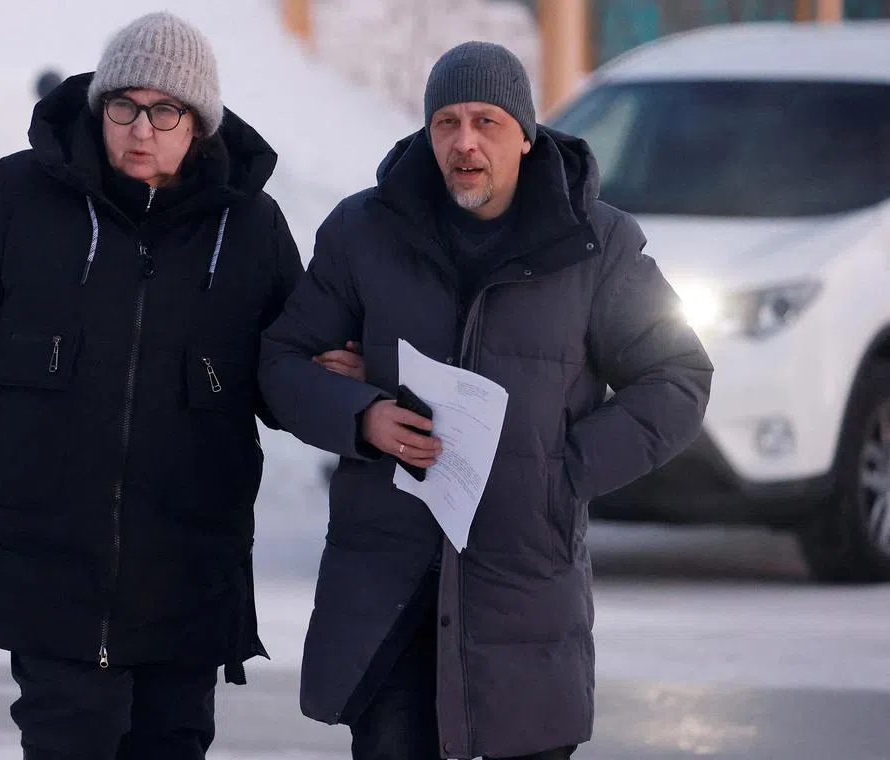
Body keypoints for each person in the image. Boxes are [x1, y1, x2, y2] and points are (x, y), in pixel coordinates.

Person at [259, 41, 714, 760]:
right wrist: (364, 415)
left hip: (523, 592)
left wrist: (563, 471)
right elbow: (281, 362)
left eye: (486, 121)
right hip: (390, 593)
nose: (464, 142)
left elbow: (678, 377)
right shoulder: (364, 231)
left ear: (525, 135)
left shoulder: (597, 244)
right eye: (446, 122)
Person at [0, 12, 304, 759]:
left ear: (199, 124)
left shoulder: (250, 228)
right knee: (72, 736)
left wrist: (347, 388)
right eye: (122, 107)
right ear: (99, 107)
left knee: (173, 740)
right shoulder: (15, 197)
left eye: (164, 112)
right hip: (45, 554)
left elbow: (289, 371)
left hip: (187, 561)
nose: (140, 130)